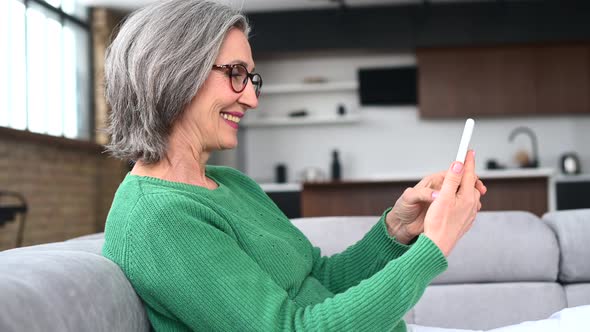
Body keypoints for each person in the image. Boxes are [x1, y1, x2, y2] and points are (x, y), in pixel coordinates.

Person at [102, 1, 587, 331]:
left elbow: (323, 280)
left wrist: (397, 228)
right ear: (171, 74)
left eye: (252, 78)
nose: (250, 96)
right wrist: (436, 245)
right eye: (235, 75)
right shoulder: (159, 219)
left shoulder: (228, 184)